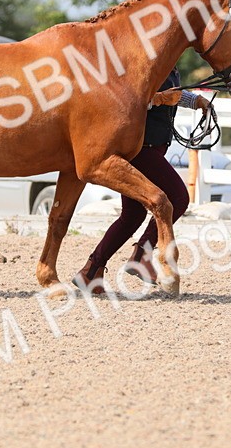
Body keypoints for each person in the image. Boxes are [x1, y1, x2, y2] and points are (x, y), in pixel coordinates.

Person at [73, 68, 211, 291]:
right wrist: (159, 99)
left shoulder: (170, 65)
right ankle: (141, 254)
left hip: (152, 147)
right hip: (143, 149)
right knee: (178, 198)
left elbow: (173, 93)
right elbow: (133, 99)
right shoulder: (145, 64)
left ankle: (91, 271)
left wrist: (195, 101)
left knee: (132, 215)